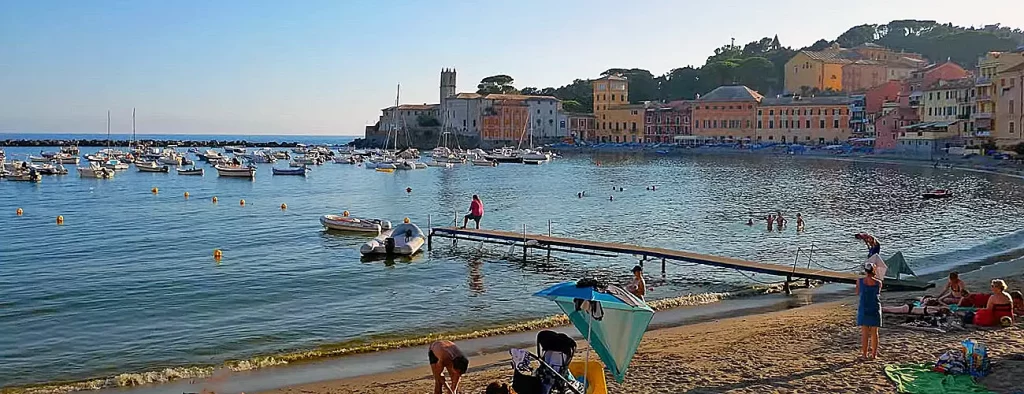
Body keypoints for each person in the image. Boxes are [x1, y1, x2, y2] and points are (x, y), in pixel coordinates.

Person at [856, 262, 881, 360]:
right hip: (874, 306)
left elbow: (858, 292)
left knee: (865, 333)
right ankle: (874, 354)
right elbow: (878, 292)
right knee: (874, 332)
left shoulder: (860, 281)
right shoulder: (878, 282)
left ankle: (864, 354)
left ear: (865, 271)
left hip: (864, 306)